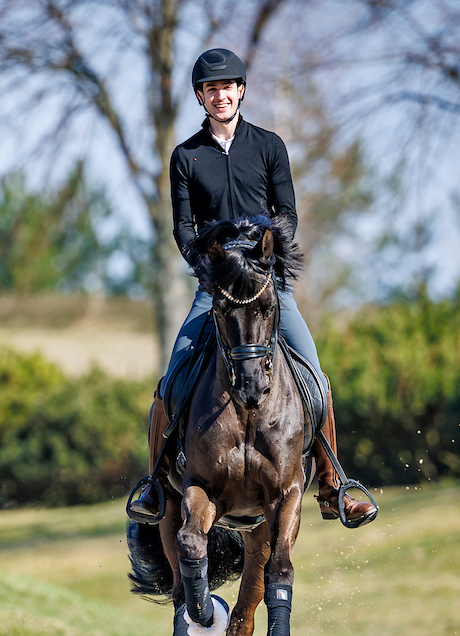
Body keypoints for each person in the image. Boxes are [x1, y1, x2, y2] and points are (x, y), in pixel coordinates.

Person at [127, 47, 376, 526]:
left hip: (267, 286)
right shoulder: (186, 156)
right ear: (201, 96)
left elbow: (288, 214)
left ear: (240, 91)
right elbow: (184, 228)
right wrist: (210, 266)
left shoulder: (269, 146)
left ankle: (333, 484)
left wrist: (265, 254)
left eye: (227, 87)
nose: (220, 96)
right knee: (173, 377)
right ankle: (157, 485)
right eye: (210, 89)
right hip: (215, 289)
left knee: (316, 377)